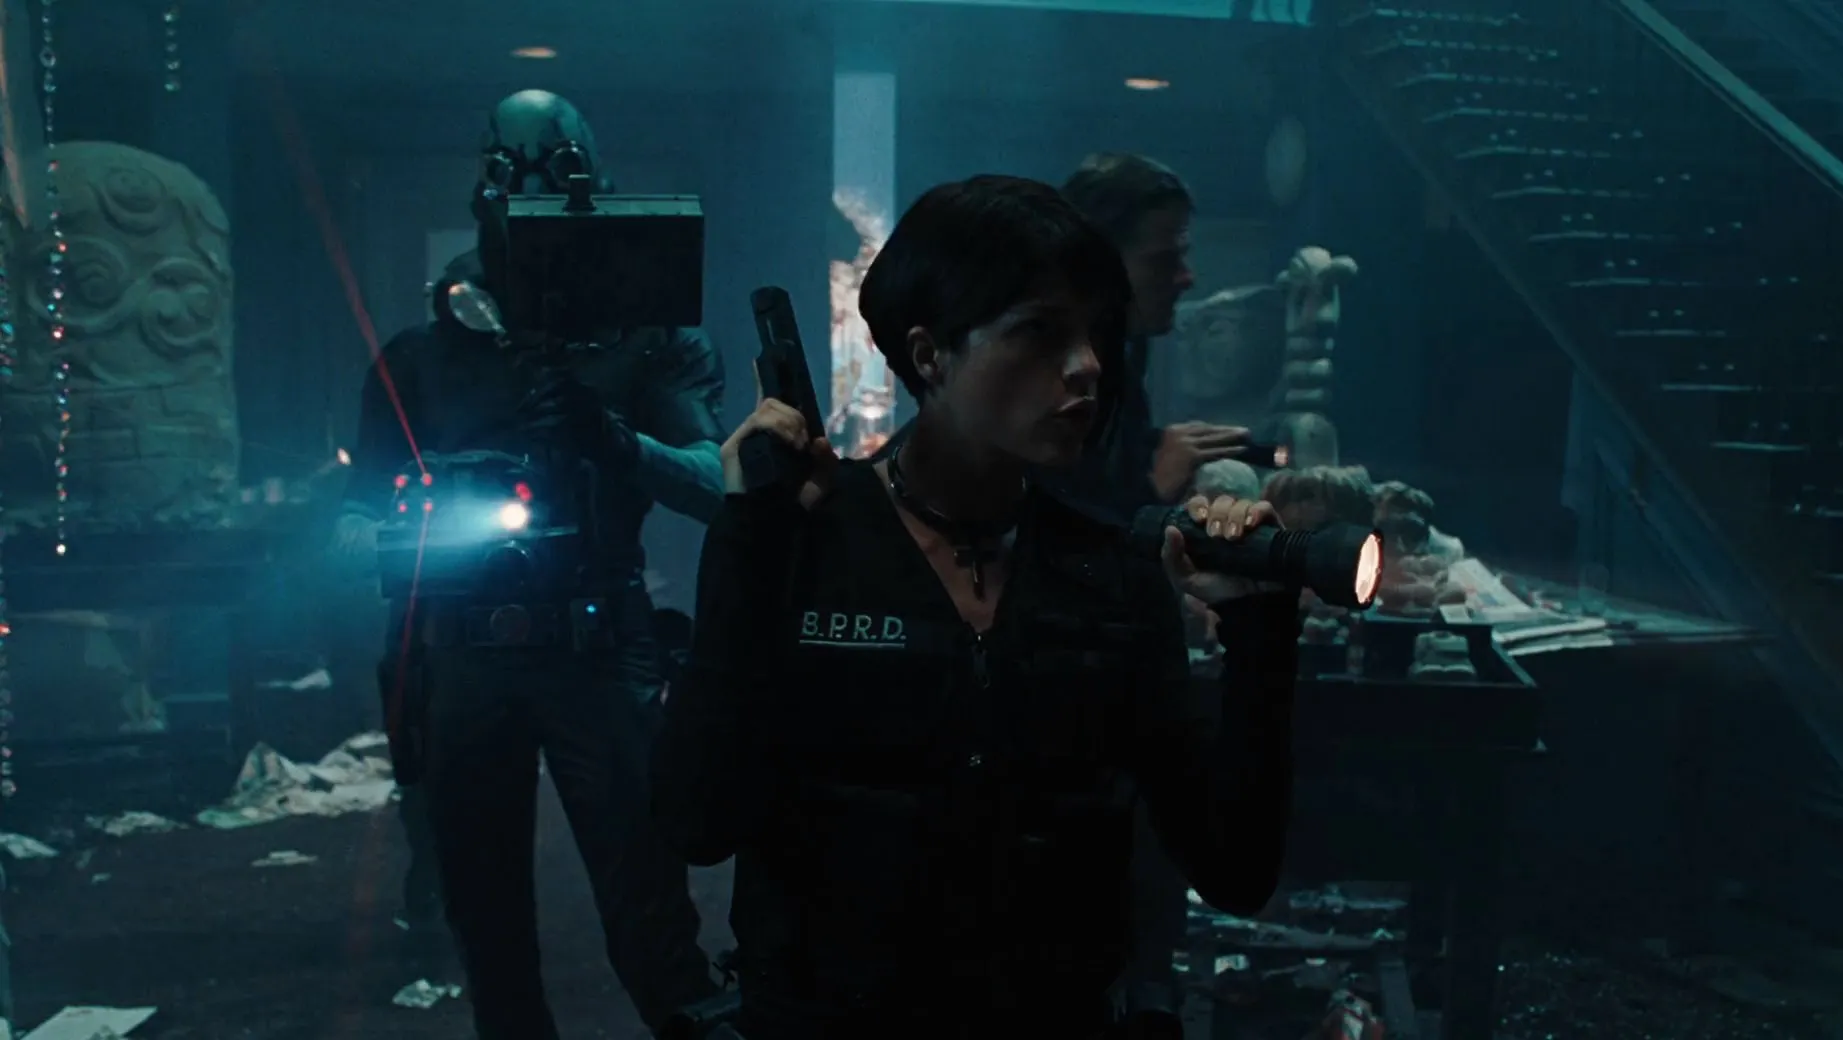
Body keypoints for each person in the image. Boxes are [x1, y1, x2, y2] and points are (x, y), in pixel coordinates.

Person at [653, 174, 1302, 1037]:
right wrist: (747, 543)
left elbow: (1234, 871)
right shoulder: (804, 540)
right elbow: (698, 821)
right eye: (1038, 332)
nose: (1087, 366)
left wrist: (1262, 631)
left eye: (1094, 333)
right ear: (931, 355)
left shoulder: (1110, 573)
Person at [333, 89, 721, 1038]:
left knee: (653, 929)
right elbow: (356, 513)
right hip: (464, 652)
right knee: (488, 928)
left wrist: (613, 441)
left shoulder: (650, 343)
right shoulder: (421, 360)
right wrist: (399, 525)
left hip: (596, 643)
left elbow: (716, 483)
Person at [1060, 151, 1255, 1022]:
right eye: (1165, 256)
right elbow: (1039, 532)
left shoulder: (1117, 356)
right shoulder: (1068, 369)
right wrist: (1152, 481)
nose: (1187, 276)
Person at [1052, 152, 1252, 520]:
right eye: (1162, 261)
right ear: (1097, 266)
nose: (1187, 278)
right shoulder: (1047, 378)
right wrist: (1151, 490)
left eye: (1181, 257)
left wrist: (1161, 447)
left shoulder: (1125, 349)